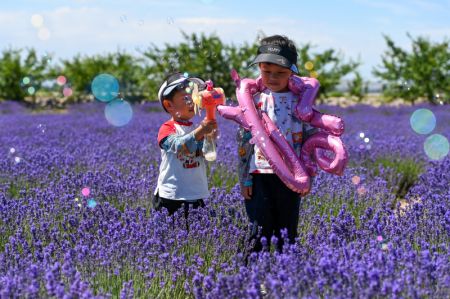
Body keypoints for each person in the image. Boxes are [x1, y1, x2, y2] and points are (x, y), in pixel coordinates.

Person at [237, 35, 317, 254]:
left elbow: (311, 139)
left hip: (291, 177)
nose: (273, 77)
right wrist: (244, 178)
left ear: (292, 71)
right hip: (258, 174)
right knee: (258, 230)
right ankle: (251, 281)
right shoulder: (253, 100)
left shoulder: (301, 101)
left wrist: (309, 175)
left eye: (280, 73)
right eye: (266, 71)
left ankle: (284, 280)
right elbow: (244, 140)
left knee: (287, 232)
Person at [153, 72, 217, 219]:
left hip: (195, 193)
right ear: (169, 105)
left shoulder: (195, 127)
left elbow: (206, 154)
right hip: (171, 197)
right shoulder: (167, 128)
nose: (192, 102)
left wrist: (210, 136)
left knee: (196, 235)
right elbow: (179, 146)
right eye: (186, 98)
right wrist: (201, 131)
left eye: (194, 97)